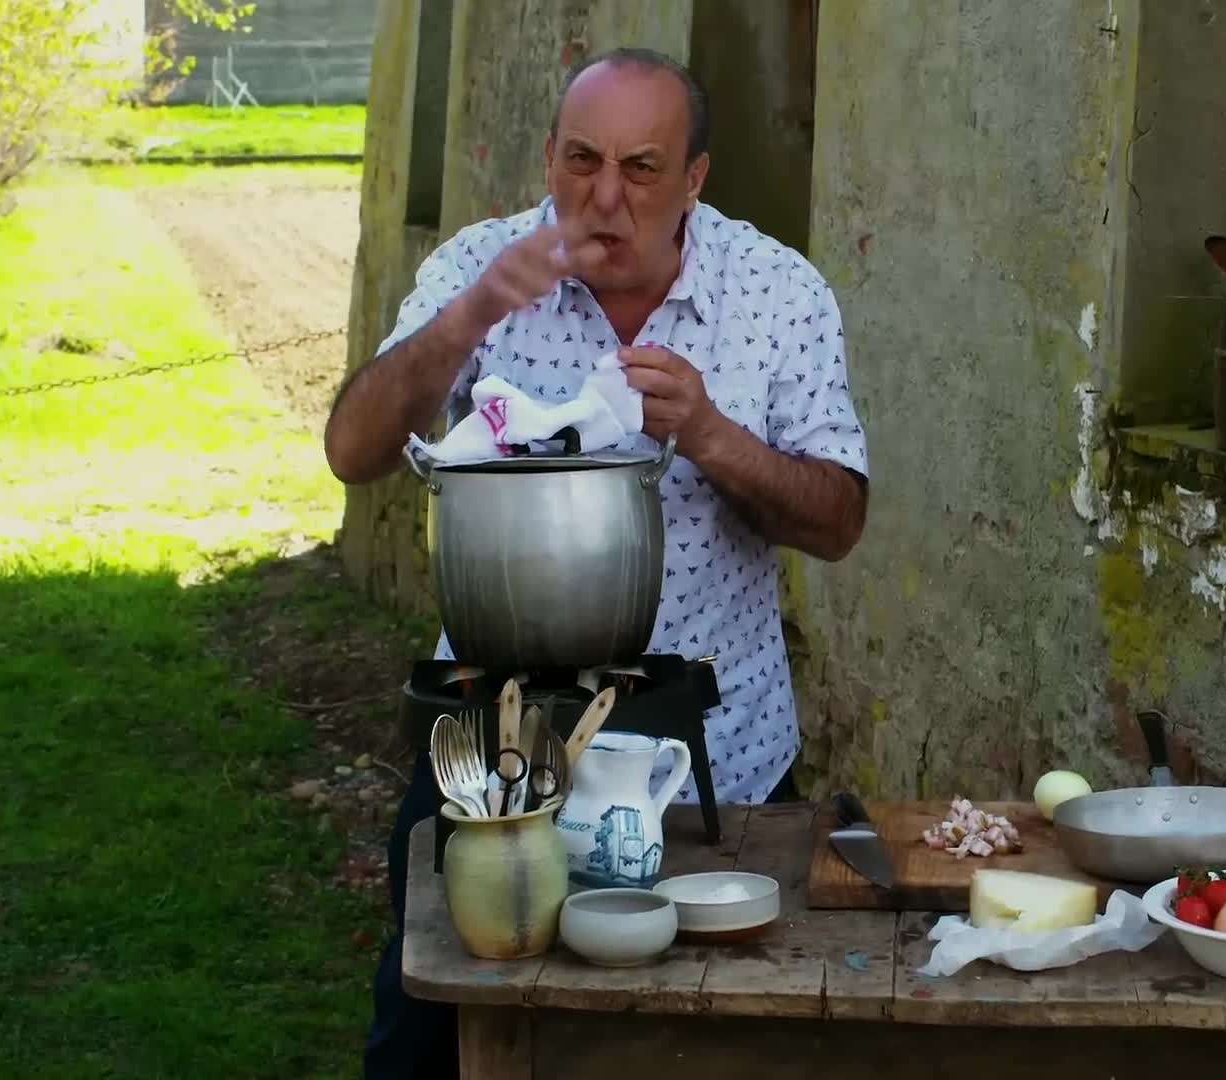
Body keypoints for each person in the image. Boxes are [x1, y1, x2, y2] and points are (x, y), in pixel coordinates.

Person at [324, 48, 869, 1079]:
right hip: (492, 744)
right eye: (580, 161)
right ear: (549, 156)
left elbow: (839, 520)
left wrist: (712, 433)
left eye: (642, 168)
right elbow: (351, 452)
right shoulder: (483, 269)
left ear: (697, 179)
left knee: (713, 1043)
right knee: (425, 1035)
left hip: (717, 751)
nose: (603, 198)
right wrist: (469, 317)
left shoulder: (778, 294)